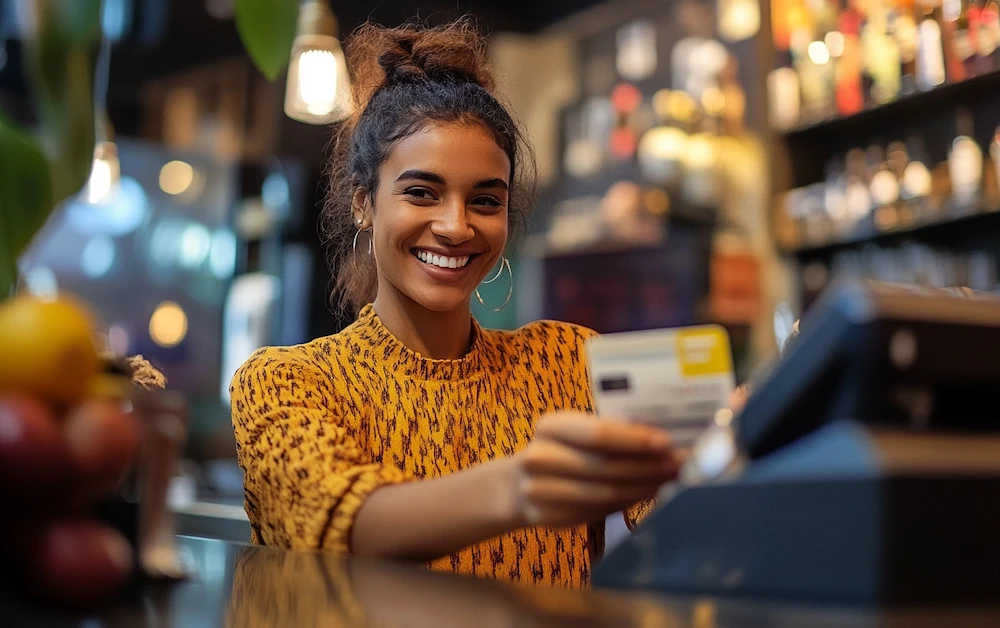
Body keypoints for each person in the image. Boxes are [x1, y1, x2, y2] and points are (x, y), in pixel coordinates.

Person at [230, 19, 678, 588]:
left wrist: (723, 451)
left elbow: (681, 533)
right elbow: (337, 525)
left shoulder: (570, 361)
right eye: (422, 192)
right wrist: (521, 485)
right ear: (364, 202)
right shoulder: (283, 382)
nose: (455, 226)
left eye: (485, 200)